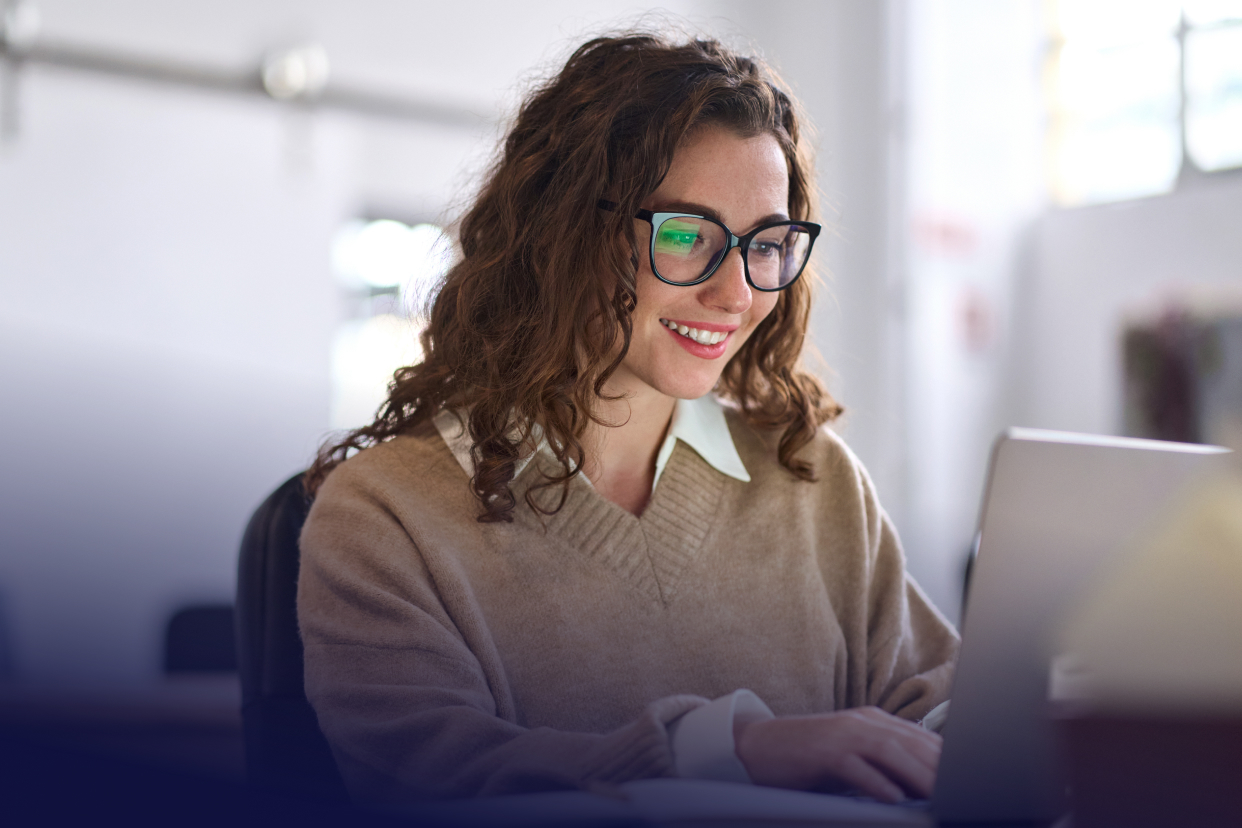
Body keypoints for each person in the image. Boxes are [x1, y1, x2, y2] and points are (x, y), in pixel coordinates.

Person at [297, 31, 958, 807]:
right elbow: (432, 783)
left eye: (767, 245)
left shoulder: (814, 480)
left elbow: (940, 713)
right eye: (685, 236)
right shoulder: (384, 514)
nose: (738, 296)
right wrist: (729, 749)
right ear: (563, 235)